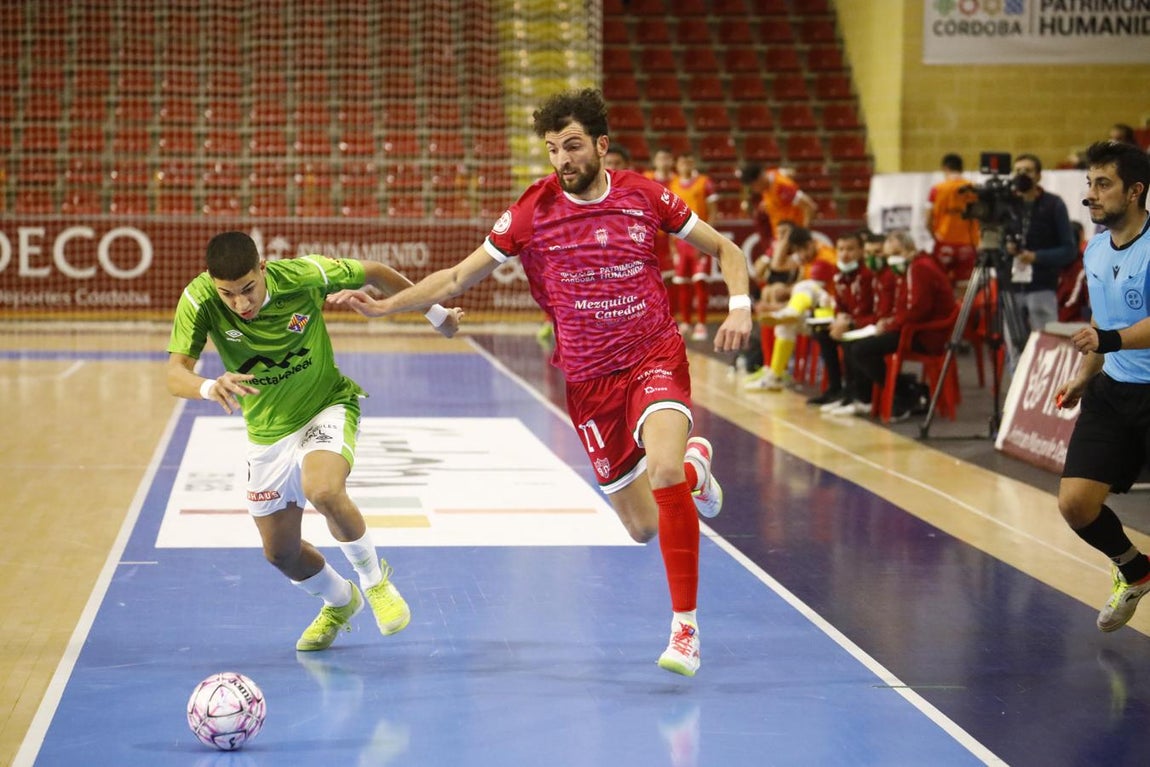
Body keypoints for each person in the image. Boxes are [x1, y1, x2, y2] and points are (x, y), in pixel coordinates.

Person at [329, 89, 753, 677]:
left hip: (653, 354)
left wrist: (740, 305)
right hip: (587, 380)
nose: (562, 159)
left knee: (659, 471)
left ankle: (685, 628)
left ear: (602, 146)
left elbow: (727, 249)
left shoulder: (645, 196)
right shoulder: (533, 210)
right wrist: (387, 308)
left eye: (573, 146)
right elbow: (455, 276)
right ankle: (694, 469)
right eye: (553, 149)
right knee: (643, 526)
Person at [166, 231, 462, 652]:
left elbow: (376, 272)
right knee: (281, 554)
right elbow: (175, 373)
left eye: (248, 289)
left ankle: (375, 583)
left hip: (326, 404)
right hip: (267, 432)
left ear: (263, 269)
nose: (241, 303)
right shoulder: (198, 300)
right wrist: (209, 386)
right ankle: (340, 601)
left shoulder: (304, 275)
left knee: (322, 489)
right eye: (228, 295)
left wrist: (437, 316)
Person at [1054, 139, 1150, 633]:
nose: (1091, 195)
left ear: (1134, 191)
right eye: (1089, 184)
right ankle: (1135, 570)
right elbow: (1103, 317)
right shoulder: (1094, 247)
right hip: (1113, 389)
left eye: (1103, 184)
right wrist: (1082, 375)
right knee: (1075, 504)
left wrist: (1108, 338)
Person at [830, 229, 954, 418]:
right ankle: (886, 392)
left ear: (910, 249)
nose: (891, 260)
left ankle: (905, 394)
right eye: (889, 256)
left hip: (925, 334)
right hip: (910, 329)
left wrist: (888, 325)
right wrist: (888, 322)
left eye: (896, 254)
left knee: (861, 349)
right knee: (851, 342)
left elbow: (917, 310)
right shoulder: (909, 268)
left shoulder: (919, 268)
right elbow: (904, 308)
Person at [1006, 153, 1077, 340]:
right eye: (1018, 170)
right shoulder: (1008, 204)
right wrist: (1005, 249)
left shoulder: (1054, 204)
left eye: (1027, 170)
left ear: (1038, 175)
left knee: (1047, 344)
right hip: (1010, 287)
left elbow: (1069, 250)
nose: (1022, 174)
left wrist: (1037, 257)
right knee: (1013, 349)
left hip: (1042, 286)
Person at [808, 230, 875, 406]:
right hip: (850, 321)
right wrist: (839, 318)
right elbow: (839, 305)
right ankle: (835, 388)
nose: (845, 254)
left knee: (847, 337)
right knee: (822, 334)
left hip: (867, 324)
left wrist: (849, 322)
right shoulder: (839, 274)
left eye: (850, 249)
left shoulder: (868, 275)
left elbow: (871, 310)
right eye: (841, 249)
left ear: (861, 251)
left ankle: (854, 393)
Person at [669, 153, 719, 341]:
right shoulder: (673, 184)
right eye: (683, 161)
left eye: (689, 160)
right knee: (682, 283)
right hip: (680, 240)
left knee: (700, 281)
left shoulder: (705, 182)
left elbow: (713, 213)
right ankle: (687, 322)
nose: (686, 164)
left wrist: (706, 239)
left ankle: (702, 323)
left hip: (699, 237)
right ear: (677, 165)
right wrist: (671, 243)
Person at [924, 152, 979, 284]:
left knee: (941, 282)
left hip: (944, 241)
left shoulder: (937, 189)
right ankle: (962, 305)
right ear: (961, 168)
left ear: (945, 168)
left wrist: (935, 236)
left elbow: (927, 219)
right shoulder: (974, 188)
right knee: (965, 284)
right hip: (967, 243)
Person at [739, 163, 817, 240]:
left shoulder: (782, 187)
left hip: (791, 237)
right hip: (779, 235)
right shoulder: (769, 179)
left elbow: (809, 206)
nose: (754, 190)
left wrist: (803, 234)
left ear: (759, 178)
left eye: (753, 186)